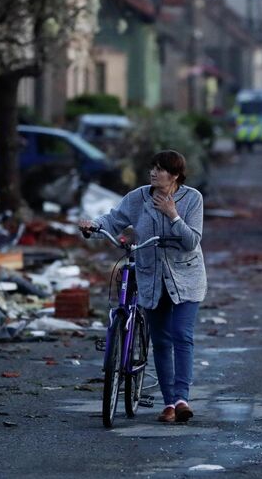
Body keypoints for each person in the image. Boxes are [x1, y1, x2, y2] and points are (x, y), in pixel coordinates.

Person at [79, 150, 206, 423]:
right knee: (160, 341)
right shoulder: (138, 197)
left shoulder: (193, 199)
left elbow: (191, 241)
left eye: (161, 169)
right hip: (151, 276)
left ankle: (183, 398)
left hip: (186, 277)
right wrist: (94, 225)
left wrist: (173, 215)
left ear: (175, 176)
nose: (153, 173)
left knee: (181, 334)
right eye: (153, 167)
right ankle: (169, 403)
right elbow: (114, 219)